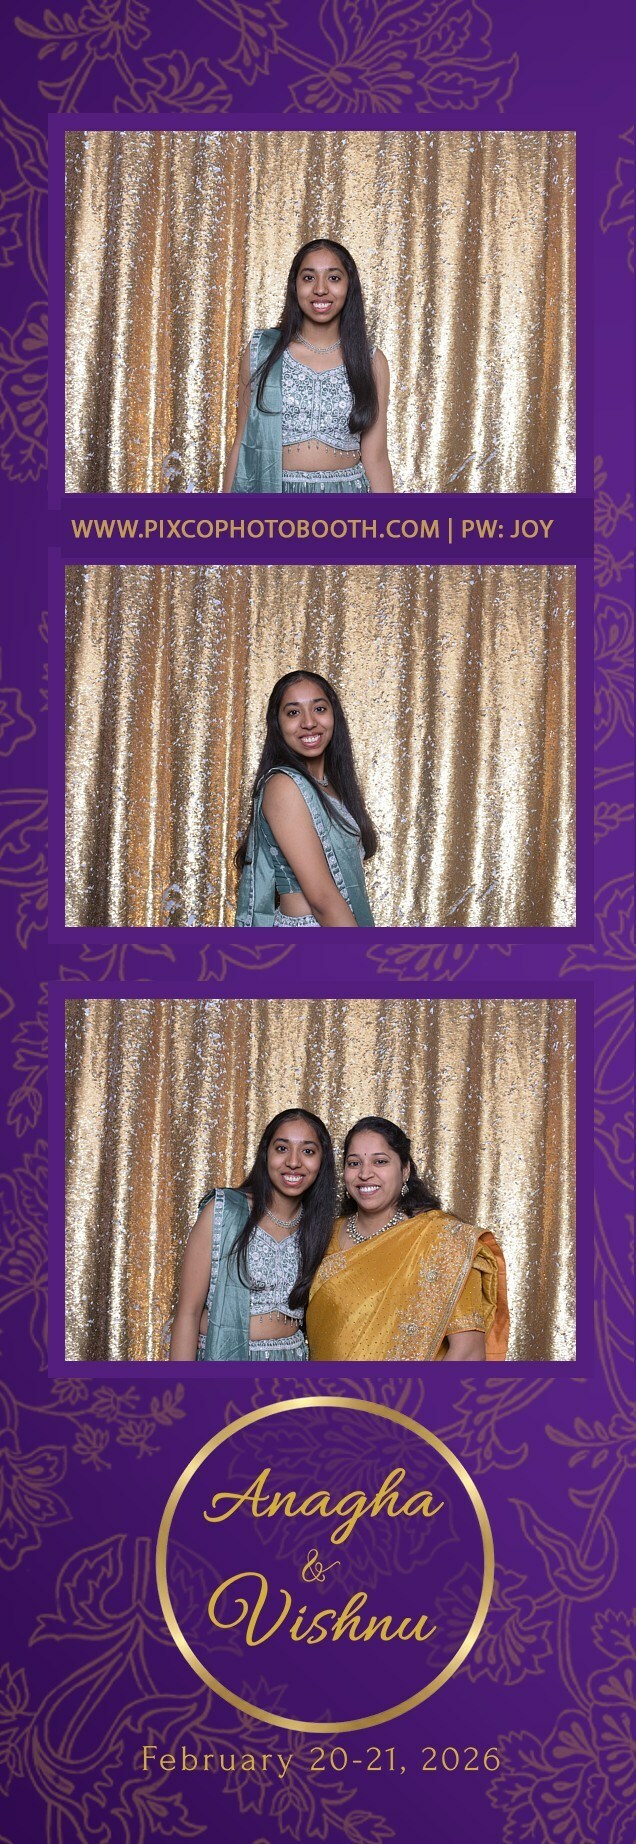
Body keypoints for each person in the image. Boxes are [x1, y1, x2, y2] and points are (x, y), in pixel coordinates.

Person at [306, 1118, 509, 1362]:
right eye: (354, 1163)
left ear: (405, 1170)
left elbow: (468, 1353)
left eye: (380, 1161)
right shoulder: (323, 1234)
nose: (365, 1173)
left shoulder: (442, 1241)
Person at [222, 239, 393, 495]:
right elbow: (242, 443)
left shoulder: (370, 362)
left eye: (334, 278)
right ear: (295, 285)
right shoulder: (263, 351)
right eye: (309, 278)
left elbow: (376, 458)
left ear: (349, 286)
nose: (320, 289)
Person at [169, 1110, 336, 1362]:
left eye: (308, 1151)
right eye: (282, 1148)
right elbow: (188, 1313)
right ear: (266, 1153)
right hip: (222, 1359)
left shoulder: (319, 1226)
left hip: (290, 1362)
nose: (293, 1161)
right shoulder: (224, 1210)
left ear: (322, 1161)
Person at [235, 671, 377, 927]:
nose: (309, 722)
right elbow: (322, 899)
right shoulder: (284, 786)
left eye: (319, 709)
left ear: (334, 715)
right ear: (277, 724)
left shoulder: (331, 786)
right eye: (293, 712)